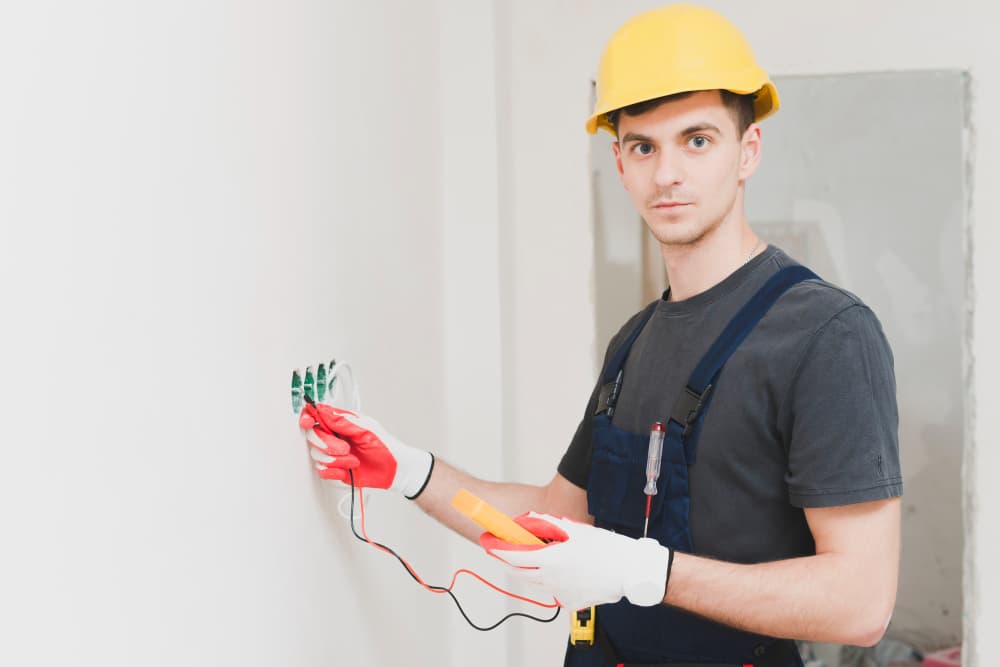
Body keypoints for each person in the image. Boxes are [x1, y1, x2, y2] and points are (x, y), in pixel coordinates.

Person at [301, 5, 902, 666]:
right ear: (619, 161)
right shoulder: (636, 340)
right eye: (644, 146)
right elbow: (558, 518)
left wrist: (644, 571)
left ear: (747, 149)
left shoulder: (825, 335)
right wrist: (410, 470)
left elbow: (861, 601)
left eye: (696, 139)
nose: (667, 173)